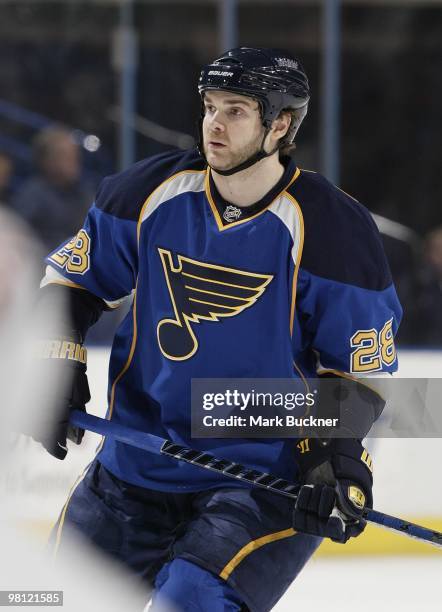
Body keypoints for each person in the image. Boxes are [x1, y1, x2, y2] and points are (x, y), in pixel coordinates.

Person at [32, 48, 401, 611]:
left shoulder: (333, 230)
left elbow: (358, 369)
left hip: (259, 478)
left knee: (193, 602)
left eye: (235, 110)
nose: (213, 125)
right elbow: (71, 282)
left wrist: (338, 455)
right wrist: (57, 360)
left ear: (280, 124)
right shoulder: (146, 193)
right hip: (136, 464)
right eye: (209, 107)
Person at [12, 126, 93, 253]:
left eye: (75, 155)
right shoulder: (32, 195)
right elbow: (18, 239)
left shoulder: (84, 193)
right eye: (65, 156)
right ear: (47, 161)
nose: (74, 161)